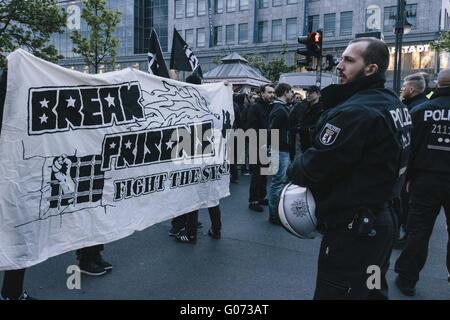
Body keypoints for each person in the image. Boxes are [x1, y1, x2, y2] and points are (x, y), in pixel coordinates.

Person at [288, 37, 411, 299]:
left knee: (337, 291)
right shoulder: (395, 104)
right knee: (372, 287)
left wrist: (294, 166)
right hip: (382, 223)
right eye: (342, 58)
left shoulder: (355, 112)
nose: (339, 65)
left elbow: (310, 169)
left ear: (371, 69)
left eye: (349, 60)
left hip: (355, 231)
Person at [394, 68, 450, 296]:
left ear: (438, 84)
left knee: (418, 230)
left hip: (425, 179)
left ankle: (407, 278)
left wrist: (407, 177)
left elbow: (408, 149)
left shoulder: (421, 110)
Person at [394, 73, 429, 249]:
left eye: (404, 86)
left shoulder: (415, 109)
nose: (401, 89)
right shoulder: (419, 106)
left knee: (409, 205)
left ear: (412, 89)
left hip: (414, 168)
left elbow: (411, 142)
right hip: (424, 169)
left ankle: (407, 236)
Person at [246, 84, 275, 212]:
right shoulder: (255, 108)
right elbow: (251, 128)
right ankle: (253, 200)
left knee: (264, 173)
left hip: (266, 143)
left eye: (273, 92)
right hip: (257, 144)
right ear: (262, 93)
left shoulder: (268, 107)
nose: (272, 95)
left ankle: (261, 196)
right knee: (257, 174)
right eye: (269, 92)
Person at [268, 83, 293, 225]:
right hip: (279, 149)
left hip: (281, 148)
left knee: (279, 181)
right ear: (285, 92)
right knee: (277, 182)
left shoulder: (280, 108)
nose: (291, 95)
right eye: (290, 92)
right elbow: (272, 130)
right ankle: (274, 214)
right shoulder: (279, 109)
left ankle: (275, 213)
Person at [289, 85, 326, 160]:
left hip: (314, 143)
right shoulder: (302, 106)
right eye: (307, 92)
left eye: (311, 92)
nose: (308, 94)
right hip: (301, 141)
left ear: (318, 94)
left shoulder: (323, 108)